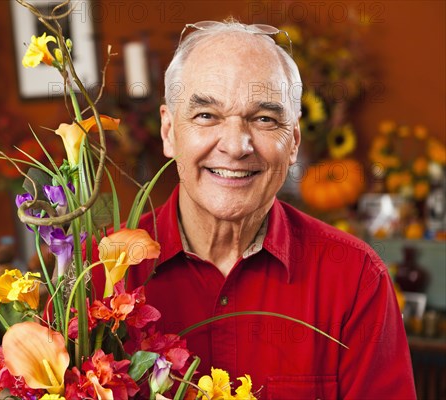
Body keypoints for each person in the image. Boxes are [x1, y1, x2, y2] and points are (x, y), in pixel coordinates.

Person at [106, 20, 416, 399]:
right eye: (207, 115)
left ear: (294, 142)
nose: (236, 146)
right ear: (169, 131)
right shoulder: (104, 268)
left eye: (264, 119)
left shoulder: (356, 280)